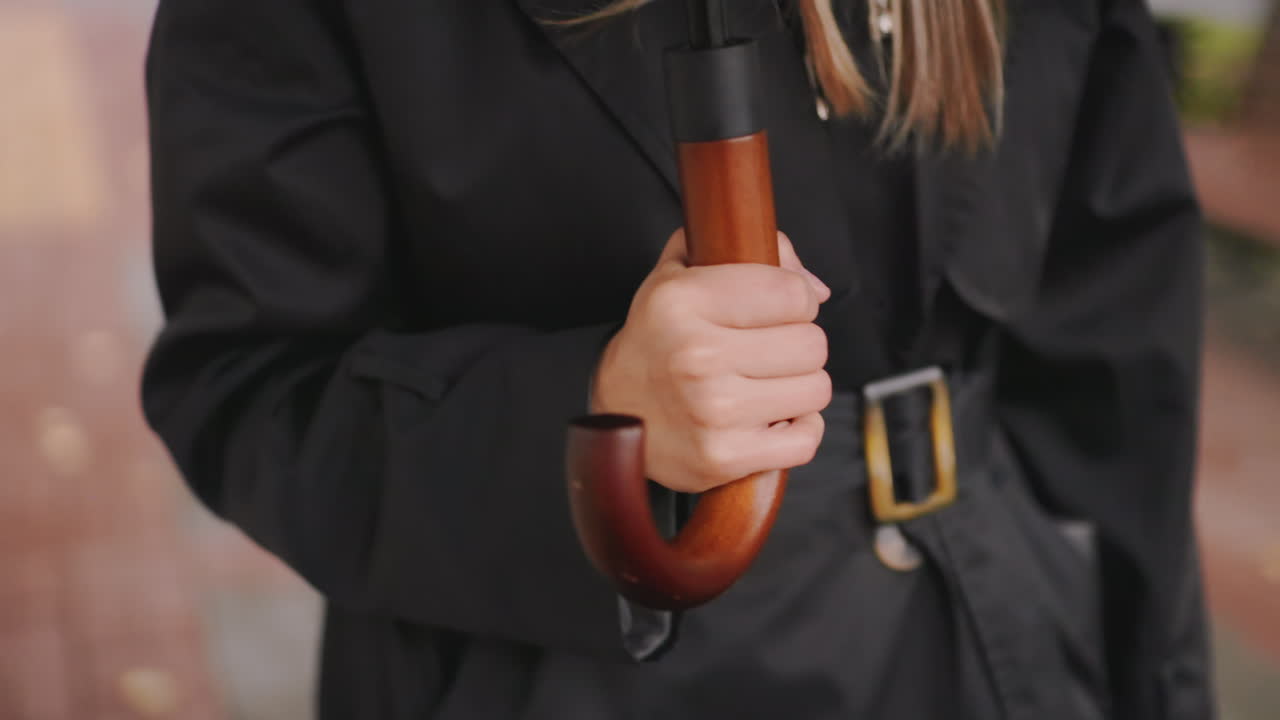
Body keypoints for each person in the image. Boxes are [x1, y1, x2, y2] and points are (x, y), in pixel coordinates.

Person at [140, 0, 1214, 718]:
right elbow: (248, 387)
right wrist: (595, 416)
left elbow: (1121, 376)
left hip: (996, 652)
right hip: (558, 674)